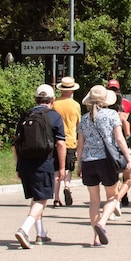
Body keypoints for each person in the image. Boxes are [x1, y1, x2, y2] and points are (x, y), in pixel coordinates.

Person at [76, 85, 131, 247]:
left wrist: (79, 164)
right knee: (112, 197)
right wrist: (128, 159)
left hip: (88, 161)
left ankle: (95, 238)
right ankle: (102, 223)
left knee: (94, 201)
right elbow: (120, 139)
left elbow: (80, 145)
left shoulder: (84, 118)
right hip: (106, 161)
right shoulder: (112, 115)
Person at [13, 84, 66, 249]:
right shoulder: (54, 116)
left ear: (36, 99)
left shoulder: (26, 115)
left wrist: (18, 166)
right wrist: (62, 167)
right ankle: (24, 229)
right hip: (43, 163)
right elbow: (61, 144)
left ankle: (41, 233)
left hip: (25, 163)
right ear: (52, 100)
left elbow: (15, 143)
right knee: (42, 200)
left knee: (36, 198)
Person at [52, 76, 81, 207]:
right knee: (68, 168)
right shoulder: (75, 105)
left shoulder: (54, 104)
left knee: (57, 170)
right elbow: (78, 124)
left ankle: (56, 198)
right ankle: (67, 186)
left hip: (55, 140)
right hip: (70, 140)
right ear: (72, 91)